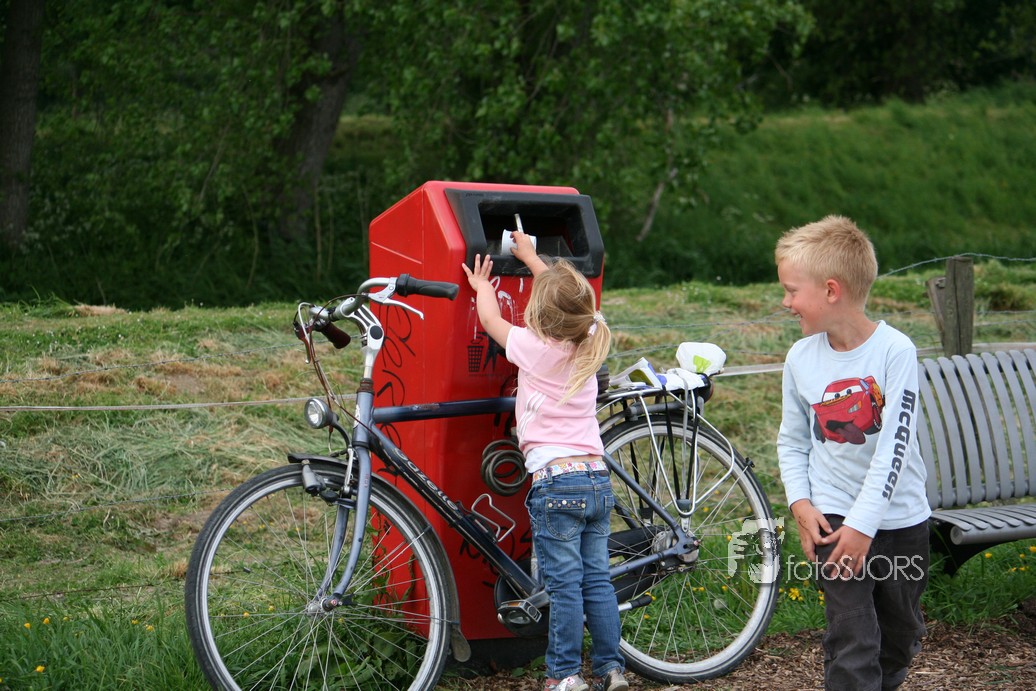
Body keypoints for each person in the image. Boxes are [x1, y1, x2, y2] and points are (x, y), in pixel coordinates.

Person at [462, 230, 628, 691]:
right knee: (597, 581)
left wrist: (482, 286)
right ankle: (611, 668)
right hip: (596, 479)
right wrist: (536, 261)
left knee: (565, 587)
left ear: (539, 314)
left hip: (557, 486)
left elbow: (491, 320)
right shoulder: (591, 338)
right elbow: (572, 304)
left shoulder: (534, 349)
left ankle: (564, 675)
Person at [774, 215, 931, 691]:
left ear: (830, 290)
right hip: (834, 517)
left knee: (899, 636)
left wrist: (865, 527)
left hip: (900, 519)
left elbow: (894, 448)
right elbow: (792, 439)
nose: (785, 303)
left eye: (791, 291)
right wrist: (801, 503)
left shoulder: (895, 351)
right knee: (852, 637)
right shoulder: (800, 358)